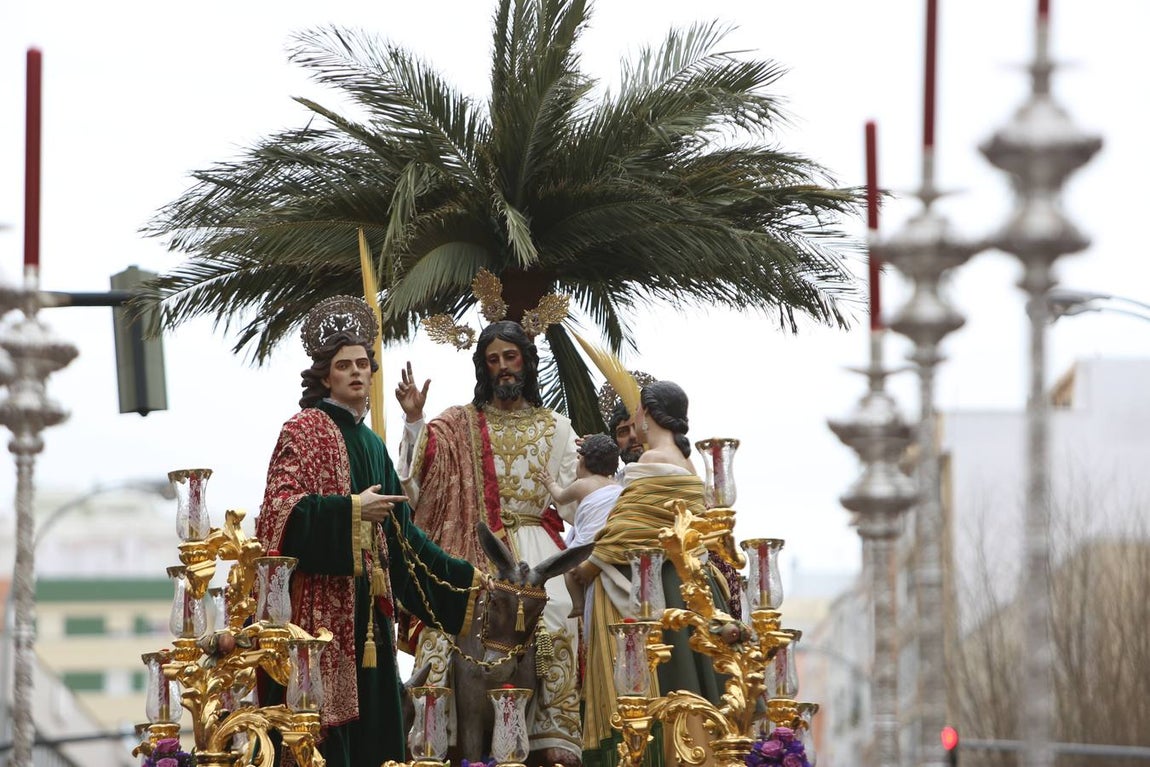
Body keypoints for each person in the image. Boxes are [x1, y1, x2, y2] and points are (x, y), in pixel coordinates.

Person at [256, 296, 485, 767]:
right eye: (344, 366)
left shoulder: (374, 445)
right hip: (320, 618)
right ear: (326, 376)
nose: (356, 373)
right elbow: (277, 514)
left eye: (363, 364)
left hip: (371, 625)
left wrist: (468, 583)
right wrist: (351, 511)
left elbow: (404, 542)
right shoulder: (303, 430)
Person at [395, 319, 582, 765]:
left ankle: (550, 735)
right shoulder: (459, 423)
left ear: (526, 362)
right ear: (484, 367)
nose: (503, 367)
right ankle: (437, 738)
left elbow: (574, 503)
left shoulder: (557, 427)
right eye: (493, 359)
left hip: (536, 549)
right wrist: (415, 420)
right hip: (475, 547)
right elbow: (421, 479)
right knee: (443, 631)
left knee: (555, 614)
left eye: (510, 357)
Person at [577, 380, 727, 767]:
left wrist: (584, 569)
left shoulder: (649, 463)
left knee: (664, 689)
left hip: (658, 586)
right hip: (690, 582)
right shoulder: (688, 464)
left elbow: (622, 532)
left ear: (649, 414)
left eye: (638, 412)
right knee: (691, 685)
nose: (634, 421)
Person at [535, 433, 622, 621]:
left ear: (583, 461)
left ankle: (578, 604)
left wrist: (549, 482)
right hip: (611, 541)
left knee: (569, 569)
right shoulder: (617, 486)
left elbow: (560, 497)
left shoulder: (582, 485)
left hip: (588, 543)